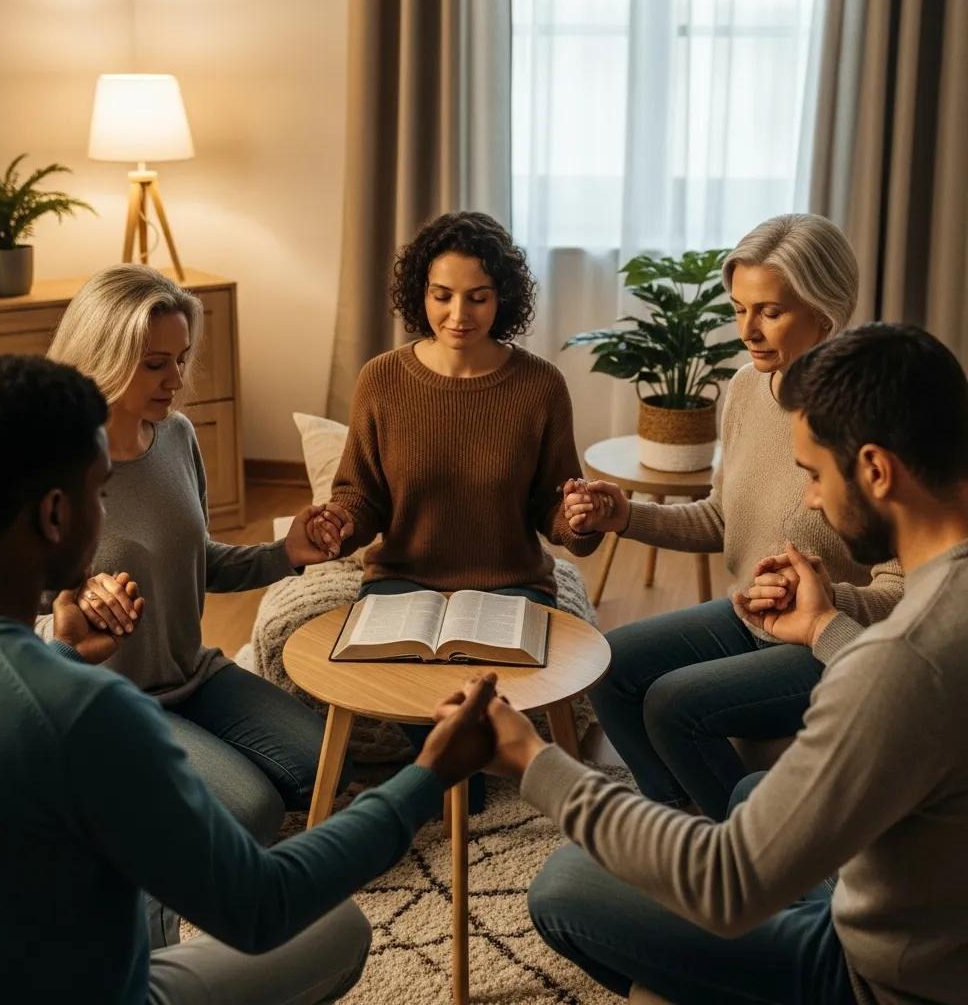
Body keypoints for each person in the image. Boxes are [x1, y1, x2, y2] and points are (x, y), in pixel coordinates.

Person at [0, 353, 501, 1004]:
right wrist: (428, 775)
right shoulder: (91, 711)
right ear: (56, 515)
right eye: (101, 492)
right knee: (339, 926)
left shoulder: (44, 684)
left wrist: (60, 657)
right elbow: (261, 905)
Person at [481, 323, 968, 1004]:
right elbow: (924, 695)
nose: (814, 502)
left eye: (815, 476)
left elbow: (727, 886)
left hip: (877, 978)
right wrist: (825, 626)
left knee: (564, 886)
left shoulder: (899, 657)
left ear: (877, 469)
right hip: (932, 918)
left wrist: (535, 761)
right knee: (744, 795)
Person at [565, 213, 903, 819]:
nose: (747, 329)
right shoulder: (749, 387)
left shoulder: (873, 418)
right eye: (740, 307)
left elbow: (909, 589)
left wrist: (825, 604)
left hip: (830, 638)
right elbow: (723, 518)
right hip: (752, 614)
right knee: (608, 664)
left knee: (672, 703)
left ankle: (743, 859)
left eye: (769, 311)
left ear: (825, 312)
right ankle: (671, 820)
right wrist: (626, 517)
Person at [45, 264, 352, 855]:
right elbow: (4, 625)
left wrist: (284, 553)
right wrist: (71, 606)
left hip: (192, 674)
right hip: (109, 700)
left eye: (181, 358)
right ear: (102, 358)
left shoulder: (177, 436)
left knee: (327, 767)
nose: (176, 378)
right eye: (155, 364)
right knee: (251, 811)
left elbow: (198, 560)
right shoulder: (46, 471)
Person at [329, 210, 602, 603]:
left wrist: (580, 519)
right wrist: (339, 524)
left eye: (478, 298)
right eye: (442, 296)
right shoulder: (380, 379)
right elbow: (360, 496)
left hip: (513, 585)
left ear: (502, 298)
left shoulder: (541, 386)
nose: (458, 316)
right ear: (420, 292)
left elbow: (553, 504)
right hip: (401, 582)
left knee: (516, 669)